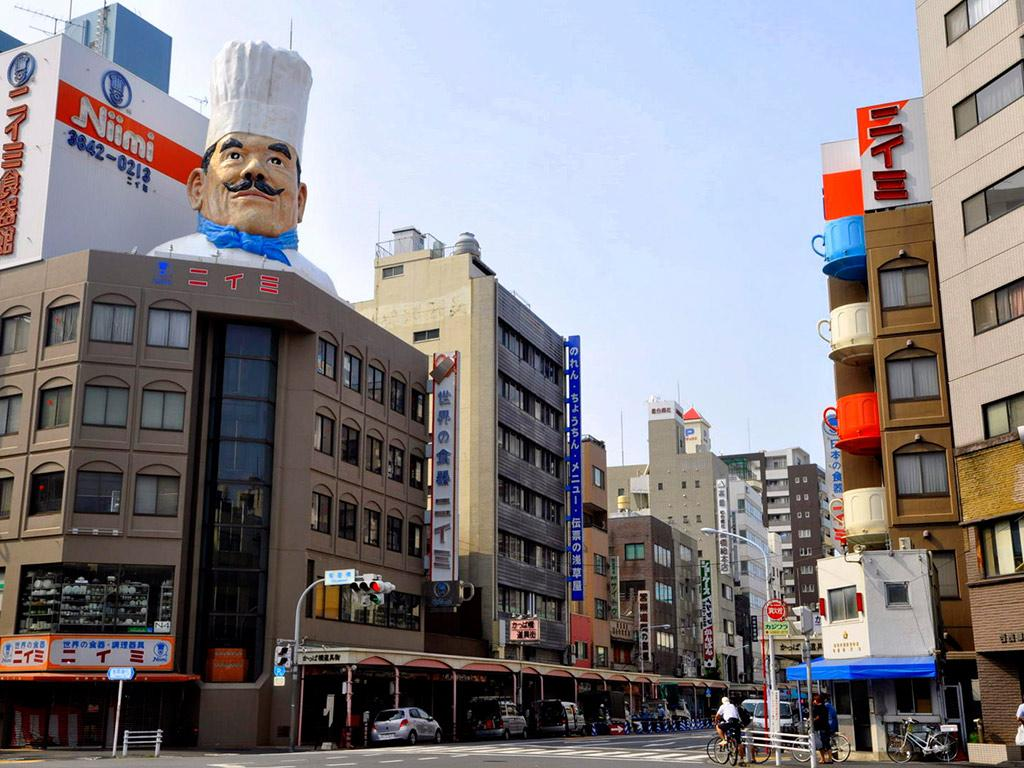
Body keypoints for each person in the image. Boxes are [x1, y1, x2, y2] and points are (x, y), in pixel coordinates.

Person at [149, 40, 337, 296]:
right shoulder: (165, 261)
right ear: (198, 187)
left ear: (300, 201)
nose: (254, 169)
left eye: (276, 161)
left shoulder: (317, 285)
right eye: (235, 155)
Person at [812, 694, 832, 764]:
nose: (814, 701)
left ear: (817, 701)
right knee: (827, 743)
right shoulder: (824, 707)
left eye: (815, 700)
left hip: (819, 728)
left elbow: (815, 717)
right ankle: (830, 759)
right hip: (826, 727)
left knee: (820, 745)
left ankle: (823, 759)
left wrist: (814, 719)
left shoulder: (816, 708)